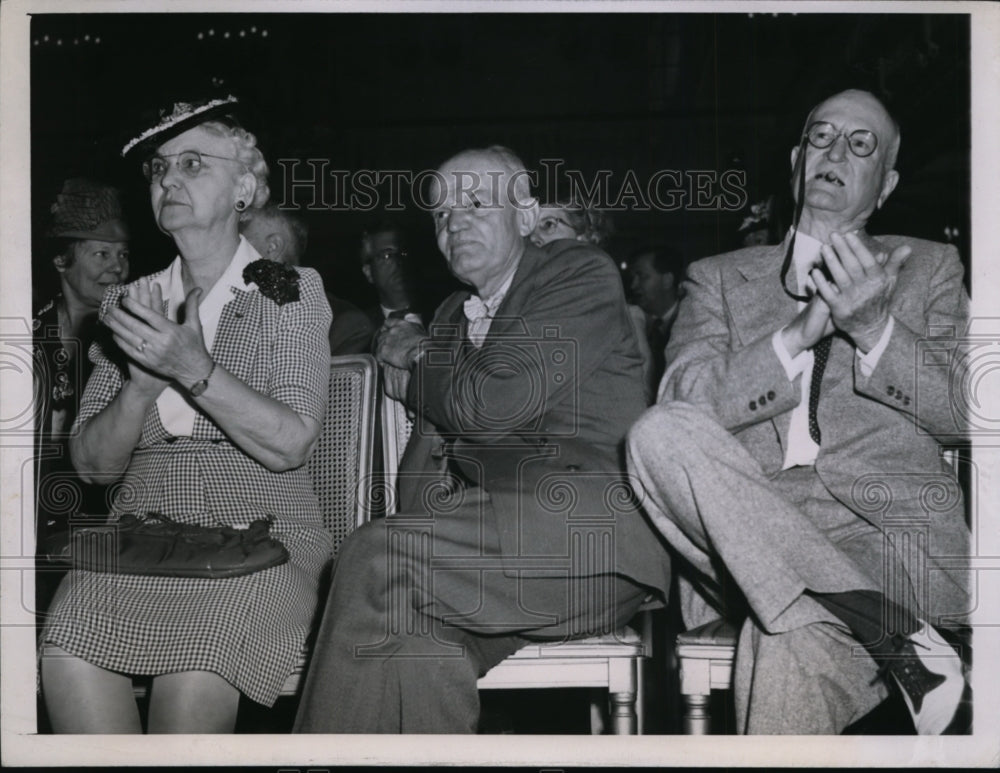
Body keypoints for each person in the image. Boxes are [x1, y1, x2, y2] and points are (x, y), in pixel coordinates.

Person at [293, 145, 671, 733]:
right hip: (493, 555)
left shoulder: (576, 272)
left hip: (584, 541)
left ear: (525, 216)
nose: (454, 223)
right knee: (414, 648)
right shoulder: (449, 312)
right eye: (441, 214)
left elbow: (494, 404)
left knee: (374, 554)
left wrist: (417, 356)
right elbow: (431, 452)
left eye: (475, 203)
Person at [626, 89, 970, 734]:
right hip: (743, 538)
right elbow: (685, 401)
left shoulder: (927, 268)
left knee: (786, 640)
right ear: (795, 160)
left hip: (887, 541)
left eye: (860, 143)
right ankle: (892, 633)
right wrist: (796, 335)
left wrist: (875, 331)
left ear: (885, 183)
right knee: (657, 432)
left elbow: (968, 414)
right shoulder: (720, 277)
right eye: (820, 136)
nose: (835, 151)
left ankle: (873, 618)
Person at [39, 95, 333, 733]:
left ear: (244, 188)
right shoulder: (129, 301)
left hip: (260, 538)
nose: (168, 180)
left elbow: (291, 445)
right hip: (138, 540)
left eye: (193, 164)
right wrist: (140, 389)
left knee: (194, 668)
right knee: (62, 651)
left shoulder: (289, 292)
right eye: (158, 170)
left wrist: (191, 367)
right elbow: (91, 468)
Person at [33, 179, 130, 608]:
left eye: (123, 255)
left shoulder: (128, 338)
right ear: (60, 260)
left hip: (104, 515)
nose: (118, 268)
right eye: (102, 254)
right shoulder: (28, 335)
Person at [529, 196, 654, 398]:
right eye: (528, 230)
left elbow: (641, 394)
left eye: (548, 225)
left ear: (584, 236)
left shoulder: (625, 315)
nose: (534, 238)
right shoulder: (524, 305)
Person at [241, 202, 375, 355]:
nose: (230, 249)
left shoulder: (344, 327)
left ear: (272, 247)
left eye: (241, 240)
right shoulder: (227, 305)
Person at [626, 245, 684, 390]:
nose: (633, 286)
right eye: (632, 278)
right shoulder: (629, 322)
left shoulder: (692, 321)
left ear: (667, 280)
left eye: (642, 276)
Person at [359, 219, 423, 338]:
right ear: (369, 272)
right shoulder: (357, 328)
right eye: (387, 256)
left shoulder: (448, 313)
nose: (398, 262)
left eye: (404, 253)